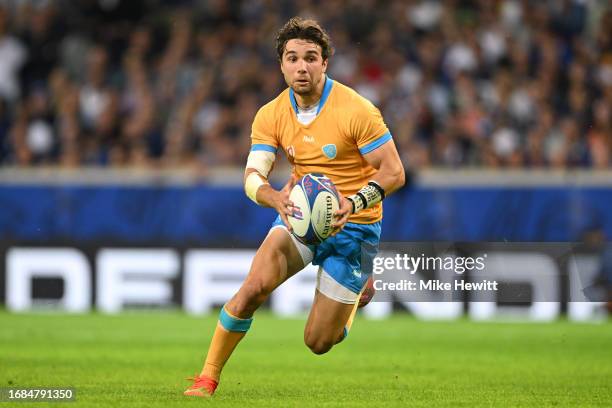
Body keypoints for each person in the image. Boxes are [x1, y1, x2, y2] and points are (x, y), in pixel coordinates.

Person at [184, 16, 405, 397]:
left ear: (324, 64)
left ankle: (352, 302)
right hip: (299, 215)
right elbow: (253, 175)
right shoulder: (270, 114)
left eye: (310, 57)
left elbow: (395, 172)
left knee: (318, 342)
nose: (301, 66)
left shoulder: (356, 109)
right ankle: (207, 377)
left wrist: (353, 202)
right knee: (253, 288)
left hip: (355, 225)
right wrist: (274, 197)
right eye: (292, 58)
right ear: (281, 64)